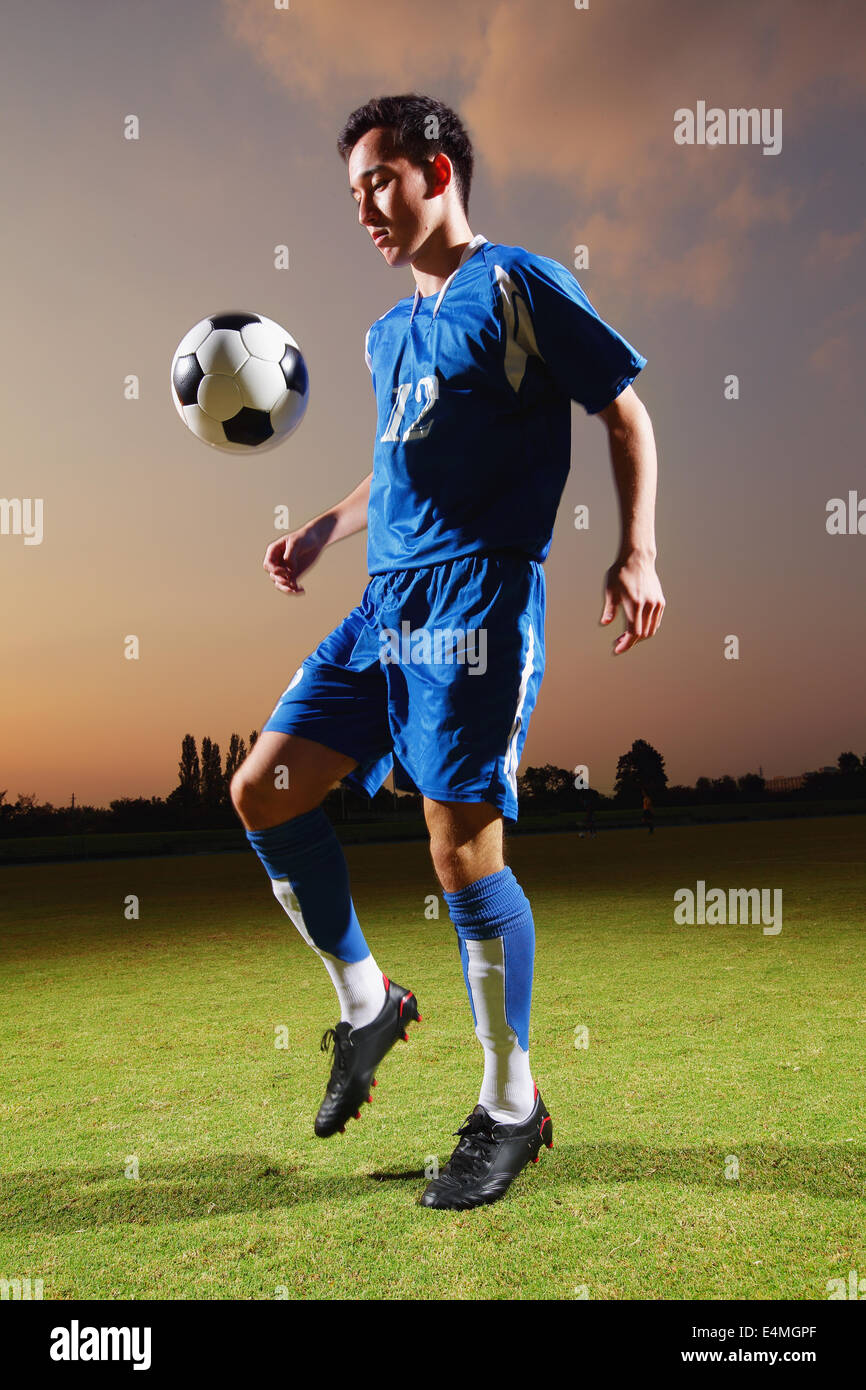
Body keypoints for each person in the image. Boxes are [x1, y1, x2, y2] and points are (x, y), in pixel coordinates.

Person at [230, 93, 665, 1210]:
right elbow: (397, 466)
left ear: (436, 170)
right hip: (384, 605)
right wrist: (326, 528)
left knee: (460, 853)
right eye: (351, 193)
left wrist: (637, 552)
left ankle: (512, 1106)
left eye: (378, 180)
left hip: (477, 599)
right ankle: (369, 1001)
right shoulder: (386, 333)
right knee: (263, 791)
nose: (364, 207)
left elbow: (622, 410)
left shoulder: (516, 286)